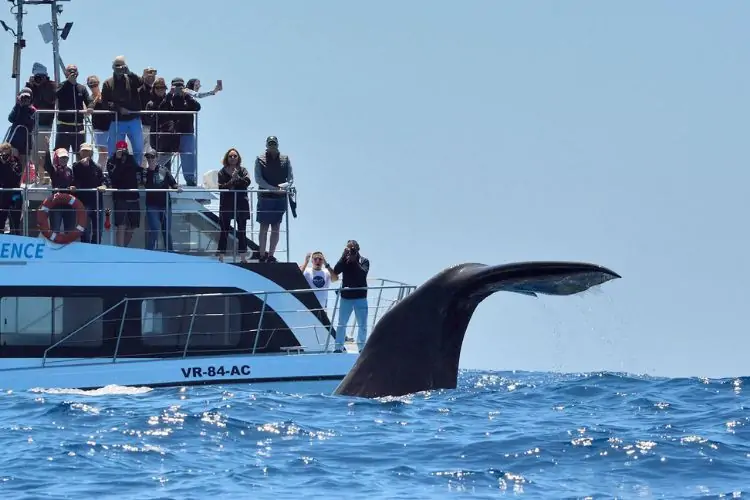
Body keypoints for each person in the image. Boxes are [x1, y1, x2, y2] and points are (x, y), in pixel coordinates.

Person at [254, 136, 293, 262]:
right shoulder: (259, 159)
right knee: (264, 226)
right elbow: (258, 179)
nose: (272, 145)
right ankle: (261, 255)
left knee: (276, 226)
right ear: (266, 144)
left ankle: (270, 255)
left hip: (280, 197)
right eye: (270, 143)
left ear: (277, 144)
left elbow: (290, 178)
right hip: (265, 197)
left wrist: (283, 187)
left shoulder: (285, 159)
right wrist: (272, 188)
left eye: (274, 143)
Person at [333, 240, 370, 352]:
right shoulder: (345, 260)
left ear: (358, 249)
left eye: (353, 248)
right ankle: (338, 347)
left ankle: (361, 347)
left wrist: (355, 262)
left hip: (360, 297)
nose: (351, 250)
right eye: (349, 248)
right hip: (346, 298)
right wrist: (342, 256)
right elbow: (336, 271)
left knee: (362, 324)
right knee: (341, 324)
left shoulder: (364, 261)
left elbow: (362, 274)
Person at [216, 148, 251, 263]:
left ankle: (242, 257)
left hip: (241, 204)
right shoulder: (222, 172)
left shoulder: (243, 170)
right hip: (227, 204)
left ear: (238, 158)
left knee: (242, 230)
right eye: (230, 156)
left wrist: (238, 178)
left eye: (235, 156)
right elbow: (221, 187)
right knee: (224, 230)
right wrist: (232, 180)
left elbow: (247, 182)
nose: (232, 158)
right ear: (227, 158)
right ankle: (221, 256)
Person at [107, 140, 143, 247]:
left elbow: (138, 170)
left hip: (133, 197)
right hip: (120, 197)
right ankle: (120, 250)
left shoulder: (131, 159)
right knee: (121, 225)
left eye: (124, 150)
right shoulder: (112, 161)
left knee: (133, 225)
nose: (122, 153)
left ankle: (124, 249)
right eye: (120, 150)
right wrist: (118, 161)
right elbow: (114, 177)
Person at [144, 148, 180, 251]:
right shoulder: (144, 172)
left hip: (165, 205)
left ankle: (170, 254)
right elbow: (139, 182)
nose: (150, 159)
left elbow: (173, 183)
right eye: (148, 157)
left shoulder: (164, 170)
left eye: (152, 157)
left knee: (166, 231)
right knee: (154, 229)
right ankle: (149, 253)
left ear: (157, 158)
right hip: (152, 205)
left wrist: (177, 188)